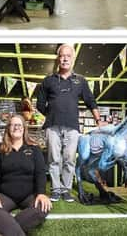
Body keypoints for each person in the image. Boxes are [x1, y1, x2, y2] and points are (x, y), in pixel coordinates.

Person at [36, 44, 105, 202]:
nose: (65, 58)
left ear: (73, 59)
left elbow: (90, 101)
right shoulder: (48, 81)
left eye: (68, 55)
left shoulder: (80, 81)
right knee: (53, 159)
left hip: (73, 127)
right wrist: (52, 114)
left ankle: (66, 190)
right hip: (52, 126)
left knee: (69, 159)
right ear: (58, 59)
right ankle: (55, 190)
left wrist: (98, 120)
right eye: (62, 55)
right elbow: (40, 104)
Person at [0, 114, 51, 236]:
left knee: (43, 208)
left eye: (19, 125)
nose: (16, 127)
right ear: (8, 128)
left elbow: (40, 173)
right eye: (13, 124)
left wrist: (41, 193)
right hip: (6, 195)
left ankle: (0, 233)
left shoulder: (34, 149)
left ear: (24, 128)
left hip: (29, 195)